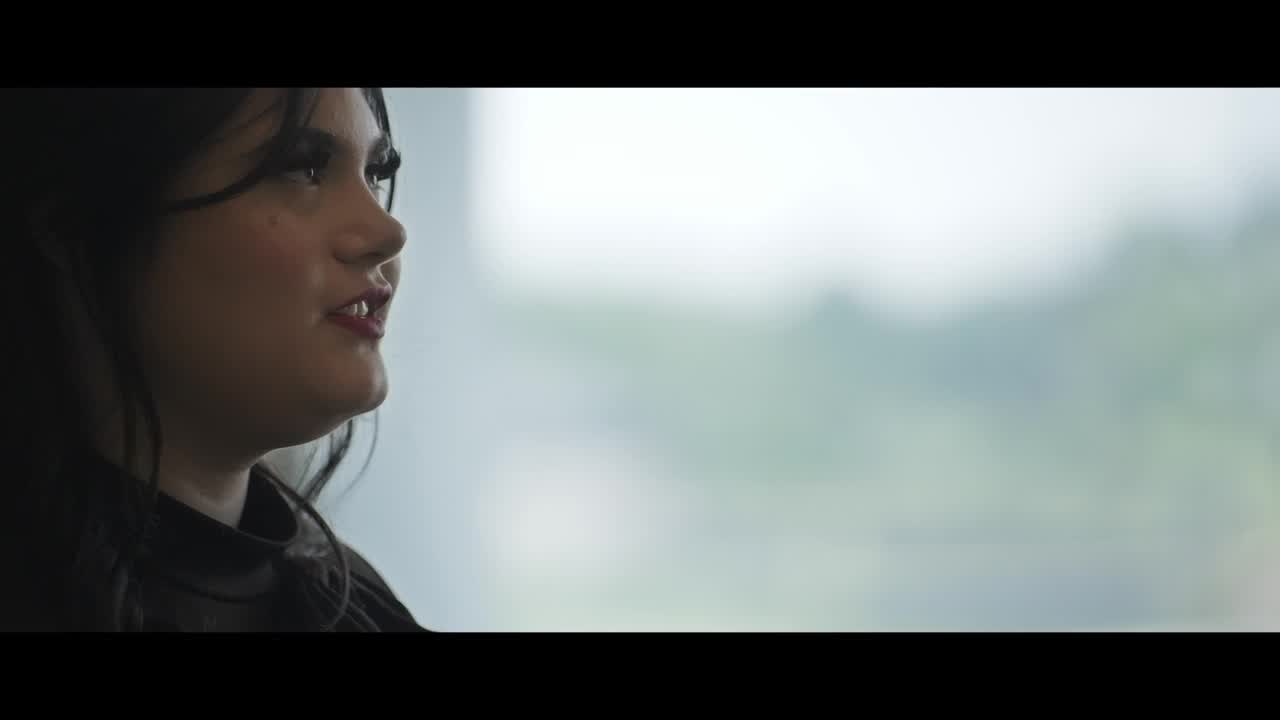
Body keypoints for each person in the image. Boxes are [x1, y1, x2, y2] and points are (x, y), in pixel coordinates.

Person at [0, 88, 430, 631]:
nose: (390, 234)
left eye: (375, 174)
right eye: (303, 168)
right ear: (75, 227)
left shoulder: (359, 609)